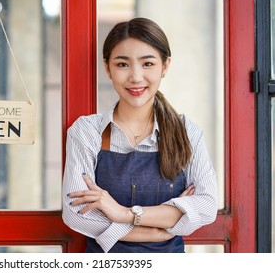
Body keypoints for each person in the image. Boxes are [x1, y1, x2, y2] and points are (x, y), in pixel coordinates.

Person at [62, 17, 218, 253]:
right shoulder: (87, 132)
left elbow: (206, 206)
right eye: (123, 64)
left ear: (165, 66)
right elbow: (76, 215)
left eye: (147, 64)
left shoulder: (187, 131)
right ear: (108, 68)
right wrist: (160, 227)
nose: (135, 77)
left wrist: (124, 214)